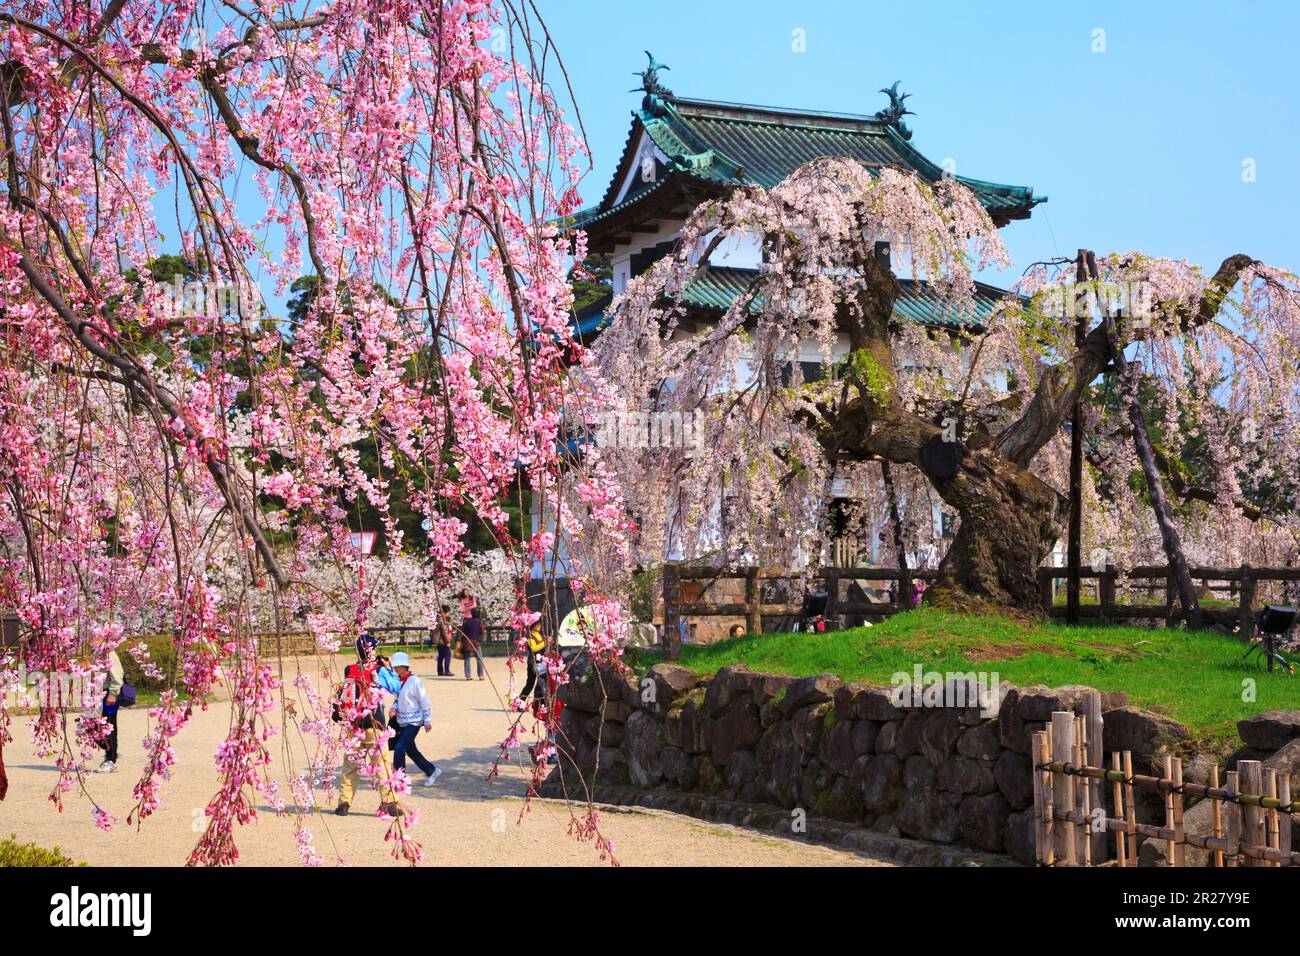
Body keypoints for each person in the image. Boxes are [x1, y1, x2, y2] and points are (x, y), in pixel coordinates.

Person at [335, 635, 403, 817]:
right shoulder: (378, 669)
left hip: (353, 724)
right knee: (382, 764)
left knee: (350, 766)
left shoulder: (349, 669)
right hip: (374, 723)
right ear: (373, 650)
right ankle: (389, 802)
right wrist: (389, 669)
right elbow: (396, 687)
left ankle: (344, 803)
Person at [388, 652, 441, 787]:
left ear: (405, 666)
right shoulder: (397, 681)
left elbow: (424, 701)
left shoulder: (415, 681)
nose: (396, 670)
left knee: (400, 748)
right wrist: (394, 708)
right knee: (411, 750)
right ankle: (432, 771)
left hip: (415, 721)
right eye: (395, 667)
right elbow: (397, 699)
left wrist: (427, 721)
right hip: (401, 721)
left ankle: (400, 780)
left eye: (398, 667)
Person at [95, 648, 125, 773]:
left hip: (109, 694)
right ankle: (111, 752)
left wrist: (113, 693)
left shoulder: (108, 652)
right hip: (98, 692)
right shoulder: (96, 652)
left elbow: (117, 674)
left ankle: (111, 759)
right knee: (95, 726)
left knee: (109, 726)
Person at [462, 606, 485, 681]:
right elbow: (482, 633)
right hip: (476, 643)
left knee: (467, 659)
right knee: (479, 659)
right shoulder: (479, 622)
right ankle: (481, 675)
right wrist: (480, 641)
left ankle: (468, 676)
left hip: (467, 642)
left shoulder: (466, 621)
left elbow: (462, 632)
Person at [435, 604, 453, 677]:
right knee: (447, 655)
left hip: (438, 641)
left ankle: (440, 671)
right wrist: (448, 642)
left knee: (441, 656)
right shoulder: (442, 619)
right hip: (443, 641)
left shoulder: (436, 618)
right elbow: (444, 632)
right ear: (444, 612)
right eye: (447, 612)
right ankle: (447, 671)